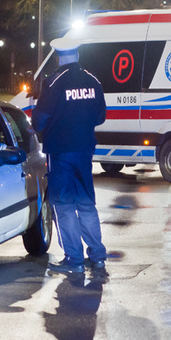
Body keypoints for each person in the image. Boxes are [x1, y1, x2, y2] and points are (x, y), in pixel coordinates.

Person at [32, 37, 107, 275]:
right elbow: (100, 117)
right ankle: (97, 256)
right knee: (86, 203)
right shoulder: (93, 80)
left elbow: (39, 120)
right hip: (85, 152)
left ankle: (73, 259)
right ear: (77, 55)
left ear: (58, 57)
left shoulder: (53, 83)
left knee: (63, 205)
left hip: (61, 152)